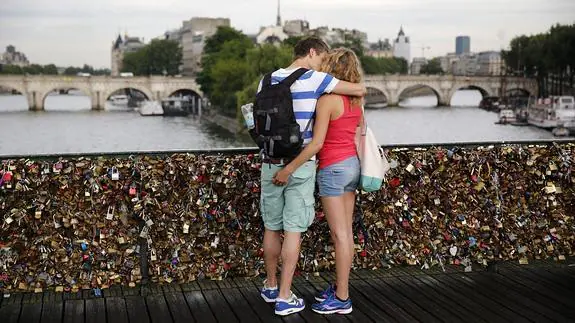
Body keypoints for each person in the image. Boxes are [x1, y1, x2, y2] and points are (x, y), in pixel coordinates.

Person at [251, 37, 366, 316]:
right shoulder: (317, 81)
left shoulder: (266, 80)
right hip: (305, 165)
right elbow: (360, 89)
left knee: (271, 227)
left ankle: (269, 285)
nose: (322, 66)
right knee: (294, 230)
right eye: (320, 58)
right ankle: (285, 296)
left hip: (270, 161)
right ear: (312, 52)